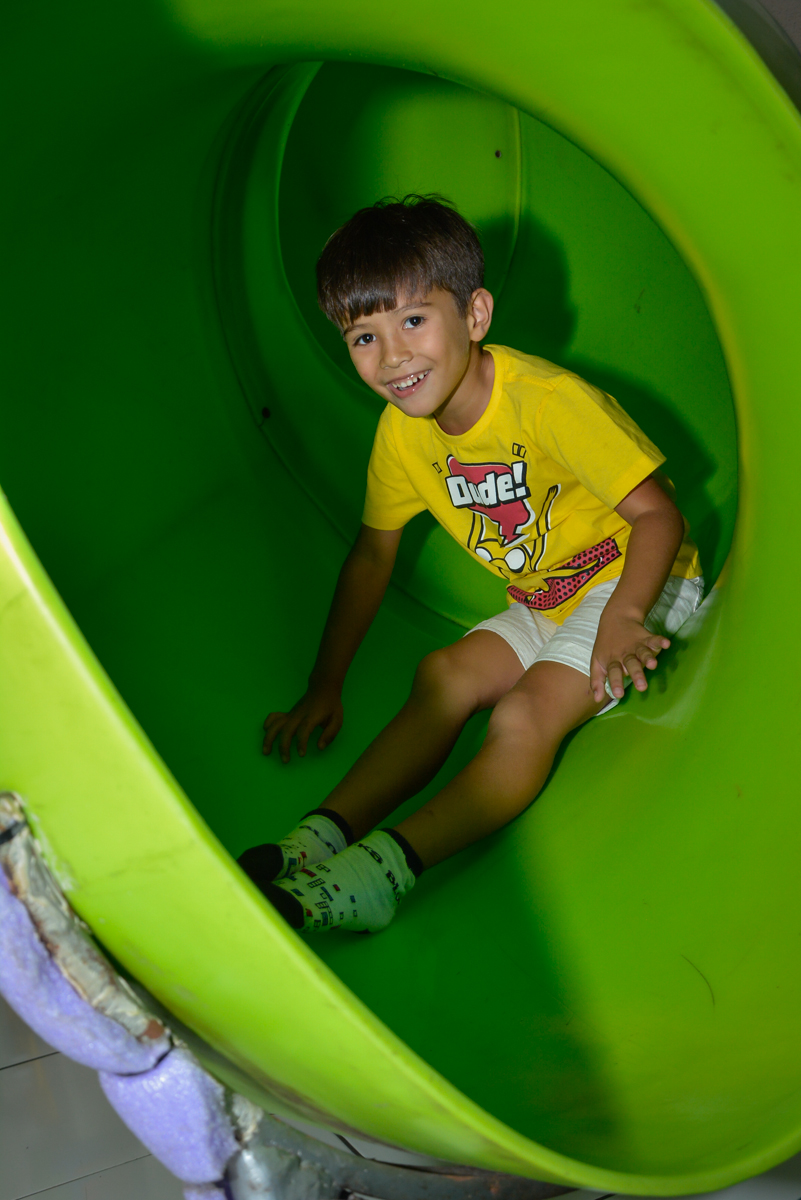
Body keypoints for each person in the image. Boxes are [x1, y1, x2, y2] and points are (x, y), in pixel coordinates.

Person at [238, 195, 703, 934]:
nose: (392, 357)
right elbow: (371, 557)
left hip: (642, 578)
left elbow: (659, 515)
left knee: (523, 713)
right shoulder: (402, 437)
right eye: (364, 336)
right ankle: (317, 838)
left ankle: (381, 872)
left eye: (413, 321)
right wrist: (324, 685)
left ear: (475, 314)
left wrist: (623, 616)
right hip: (545, 597)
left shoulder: (547, 402)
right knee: (443, 676)